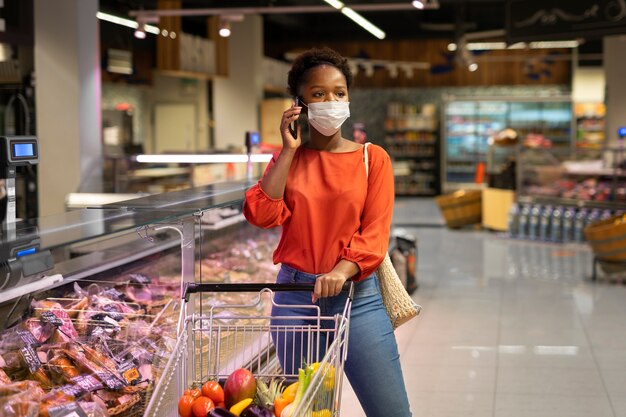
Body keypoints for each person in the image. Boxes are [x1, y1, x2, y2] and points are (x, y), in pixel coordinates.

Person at [243, 47, 412, 417]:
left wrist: (341, 270)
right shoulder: (288, 160)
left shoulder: (373, 159)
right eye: (318, 94)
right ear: (299, 104)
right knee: (305, 411)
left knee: (391, 410)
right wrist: (288, 151)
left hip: (359, 298)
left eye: (339, 93)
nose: (331, 101)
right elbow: (260, 213)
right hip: (296, 298)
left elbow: (375, 233)